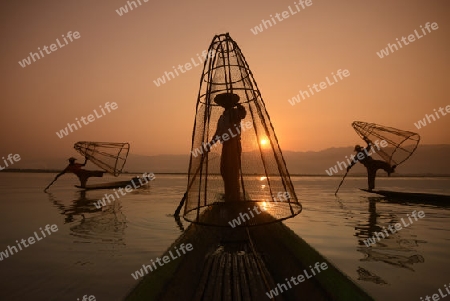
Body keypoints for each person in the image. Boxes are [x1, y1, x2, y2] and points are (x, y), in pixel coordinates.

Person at [211, 92, 247, 202]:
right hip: (226, 145)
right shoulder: (222, 118)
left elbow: (243, 115)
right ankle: (229, 194)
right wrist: (209, 145)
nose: (224, 104)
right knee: (224, 170)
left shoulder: (234, 113)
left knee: (233, 170)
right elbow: (217, 133)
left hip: (234, 144)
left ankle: (234, 195)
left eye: (227, 102)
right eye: (223, 103)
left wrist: (239, 106)